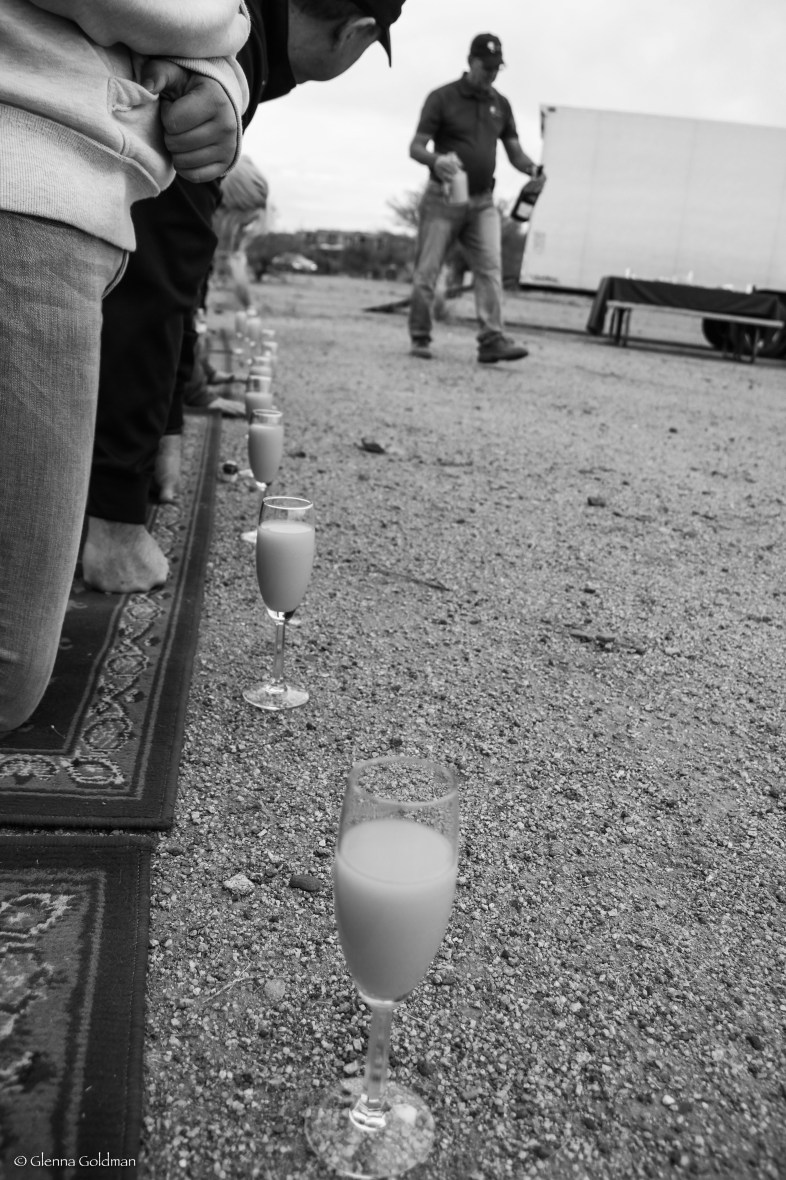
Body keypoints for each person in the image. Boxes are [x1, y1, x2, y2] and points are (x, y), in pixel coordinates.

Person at [82, 0, 407, 594]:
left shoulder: (238, 46)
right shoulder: (227, 39)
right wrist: (118, 511)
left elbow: (178, 276)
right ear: (356, 33)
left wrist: (169, 423)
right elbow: (161, 273)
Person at [0, 0, 251, 734]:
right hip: (29, 183)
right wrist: (223, 44)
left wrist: (219, 81)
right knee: (9, 675)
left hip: (62, 191)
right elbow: (173, 11)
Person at [407, 32, 543, 364]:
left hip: (483, 201)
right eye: (487, 67)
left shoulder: (501, 105)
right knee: (428, 271)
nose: (492, 74)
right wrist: (436, 160)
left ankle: (491, 340)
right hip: (445, 198)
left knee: (490, 268)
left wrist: (533, 170)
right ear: (471, 62)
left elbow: (514, 153)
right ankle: (420, 335)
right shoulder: (442, 97)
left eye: (497, 68)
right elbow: (416, 147)